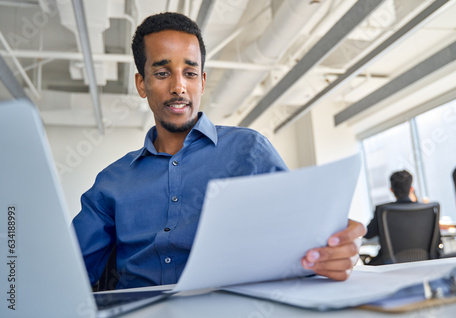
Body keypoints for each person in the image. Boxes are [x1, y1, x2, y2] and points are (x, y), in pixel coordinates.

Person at [72, 12, 366, 289]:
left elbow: (300, 244)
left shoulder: (249, 151)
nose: (178, 86)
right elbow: (67, 272)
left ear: (201, 81)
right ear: (141, 83)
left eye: (189, 73)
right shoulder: (112, 183)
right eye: (162, 73)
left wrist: (332, 253)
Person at [364, 170, 418, 265]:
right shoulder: (426, 209)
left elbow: (368, 234)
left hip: (389, 265)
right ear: (411, 189)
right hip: (422, 263)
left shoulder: (383, 211)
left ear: (391, 190)